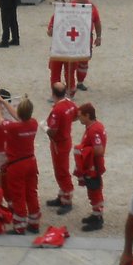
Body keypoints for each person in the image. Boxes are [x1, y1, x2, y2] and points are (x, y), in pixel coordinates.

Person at [0, 92, 40, 234]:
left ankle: (19, 226)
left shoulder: (13, 128)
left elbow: (0, 119)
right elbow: (18, 116)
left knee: (18, 195)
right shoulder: (34, 124)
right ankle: (34, 223)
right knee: (32, 192)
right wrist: (5, 102)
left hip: (17, 165)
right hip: (31, 162)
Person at [44, 82, 79, 215]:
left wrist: (44, 127)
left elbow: (52, 131)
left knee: (61, 171)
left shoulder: (56, 110)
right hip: (66, 140)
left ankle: (67, 199)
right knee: (61, 169)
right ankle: (62, 195)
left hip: (58, 144)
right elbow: (76, 115)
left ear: (53, 93)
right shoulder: (70, 104)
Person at [74, 102, 107, 230]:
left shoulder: (94, 130)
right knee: (92, 191)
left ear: (87, 115)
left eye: (80, 116)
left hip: (94, 167)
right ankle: (95, 213)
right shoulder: (93, 127)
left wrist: (83, 150)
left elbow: (99, 150)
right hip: (90, 166)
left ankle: (98, 218)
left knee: (95, 191)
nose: (79, 119)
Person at [71, 0, 102, 92]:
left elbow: (97, 22)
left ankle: (80, 82)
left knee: (84, 62)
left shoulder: (92, 7)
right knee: (71, 61)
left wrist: (98, 37)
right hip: (72, 38)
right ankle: (70, 83)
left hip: (86, 38)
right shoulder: (70, 6)